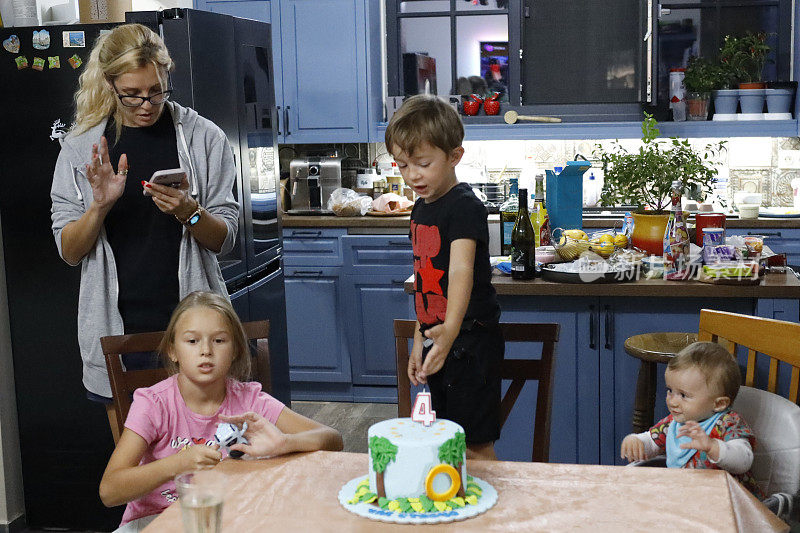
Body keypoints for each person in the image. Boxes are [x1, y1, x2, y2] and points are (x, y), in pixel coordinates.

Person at [50, 24, 239, 435]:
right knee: (135, 472)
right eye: (132, 93)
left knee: (207, 459)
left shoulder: (205, 138)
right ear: (109, 84)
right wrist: (98, 207)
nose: (146, 104)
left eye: (156, 90)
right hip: (118, 335)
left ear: (167, 76)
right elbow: (68, 249)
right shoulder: (80, 148)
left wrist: (190, 211)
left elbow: (225, 239)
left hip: (194, 332)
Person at [99, 291, 343, 531]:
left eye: (219, 340)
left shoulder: (249, 400)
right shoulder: (153, 404)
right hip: (152, 520)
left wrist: (284, 443)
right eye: (192, 341)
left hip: (229, 517)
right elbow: (109, 491)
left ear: (235, 349)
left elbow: (332, 438)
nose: (206, 350)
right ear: (172, 351)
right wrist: (179, 463)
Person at [385, 94, 503, 460]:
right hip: (441, 340)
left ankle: (490, 516)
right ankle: (457, 508)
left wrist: (449, 332)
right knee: (445, 442)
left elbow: (460, 271)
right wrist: (421, 340)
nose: (411, 175)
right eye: (402, 165)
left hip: (470, 342)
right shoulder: (421, 208)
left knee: (475, 446)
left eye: (422, 163)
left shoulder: (465, 207)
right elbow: (425, 281)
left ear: (455, 156)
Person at [620, 342, 763, 497]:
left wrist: (712, 446)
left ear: (719, 404)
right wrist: (638, 441)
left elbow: (744, 459)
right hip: (688, 496)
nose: (672, 401)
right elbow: (652, 440)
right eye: (670, 390)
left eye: (683, 395)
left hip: (730, 502)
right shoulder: (674, 422)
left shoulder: (728, 423)